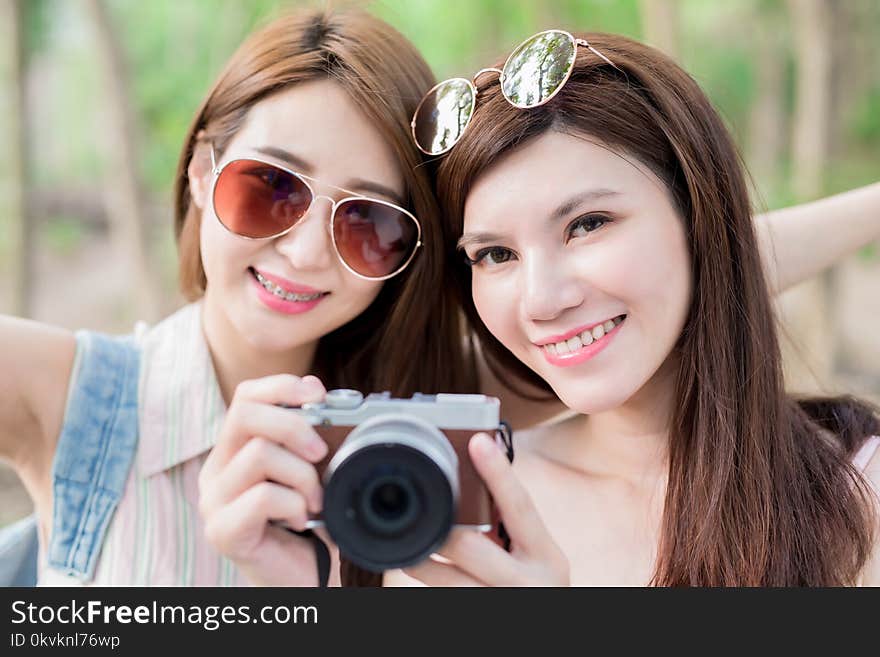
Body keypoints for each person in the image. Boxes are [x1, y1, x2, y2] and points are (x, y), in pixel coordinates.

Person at [0, 12, 877, 587]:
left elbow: (685, 279)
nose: (305, 248)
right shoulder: (75, 393)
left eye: (367, 222)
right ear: (199, 172)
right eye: (271, 188)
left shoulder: (436, 420)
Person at [395, 29, 880, 586]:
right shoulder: (456, 510)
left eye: (587, 225)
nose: (542, 301)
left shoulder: (855, 495)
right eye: (495, 254)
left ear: (699, 216)